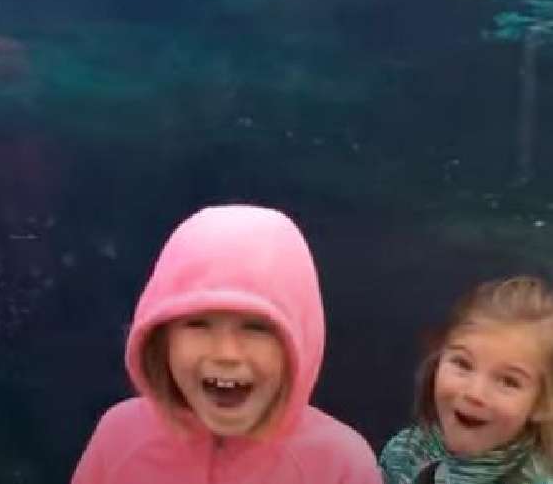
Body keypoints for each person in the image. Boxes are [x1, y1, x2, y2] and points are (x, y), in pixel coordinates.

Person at [72, 204, 380, 483]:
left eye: (256, 328)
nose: (226, 353)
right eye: (197, 324)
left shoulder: (341, 465)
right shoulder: (119, 438)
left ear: (299, 339)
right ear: (159, 338)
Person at [380, 275, 553, 483]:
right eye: (462, 364)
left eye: (508, 382)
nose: (475, 393)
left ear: (542, 403)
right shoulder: (403, 454)